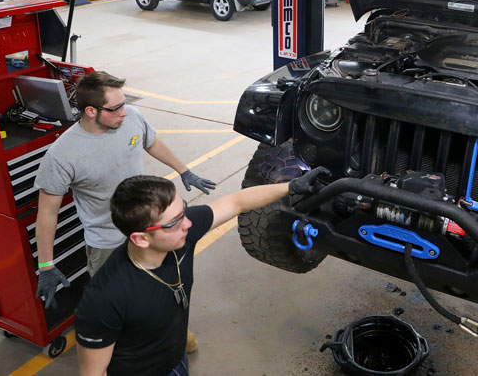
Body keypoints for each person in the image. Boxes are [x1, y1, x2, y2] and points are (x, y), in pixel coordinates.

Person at [75, 168, 328, 375]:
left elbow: (235, 202)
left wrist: (291, 187)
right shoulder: (105, 298)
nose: (187, 224)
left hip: (176, 360)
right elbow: (94, 373)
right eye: (175, 222)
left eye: (183, 210)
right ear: (141, 239)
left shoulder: (180, 235)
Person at [34, 71, 216, 305]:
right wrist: (46, 266)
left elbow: (151, 142)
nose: (124, 112)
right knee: (115, 301)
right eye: (116, 108)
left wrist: (184, 170)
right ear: (91, 111)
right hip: (107, 241)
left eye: (125, 104)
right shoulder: (62, 155)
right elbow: (47, 214)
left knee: (160, 285)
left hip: (149, 227)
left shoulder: (132, 117)